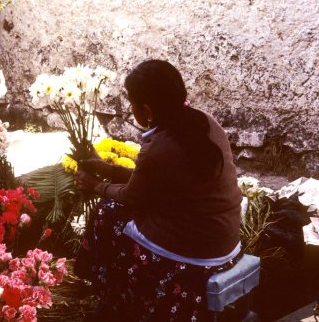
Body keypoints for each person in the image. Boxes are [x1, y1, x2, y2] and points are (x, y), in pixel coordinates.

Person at [73, 60, 244, 322]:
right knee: (116, 208)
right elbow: (152, 181)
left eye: (131, 103)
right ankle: (110, 296)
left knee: (107, 212)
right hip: (227, 239)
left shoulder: (159, 146)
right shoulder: (203, 122)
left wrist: (96, 186)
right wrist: (108, 169)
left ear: (148, 110)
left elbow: (132, 196)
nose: (130, 110)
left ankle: (113, 299)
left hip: (199, 250)